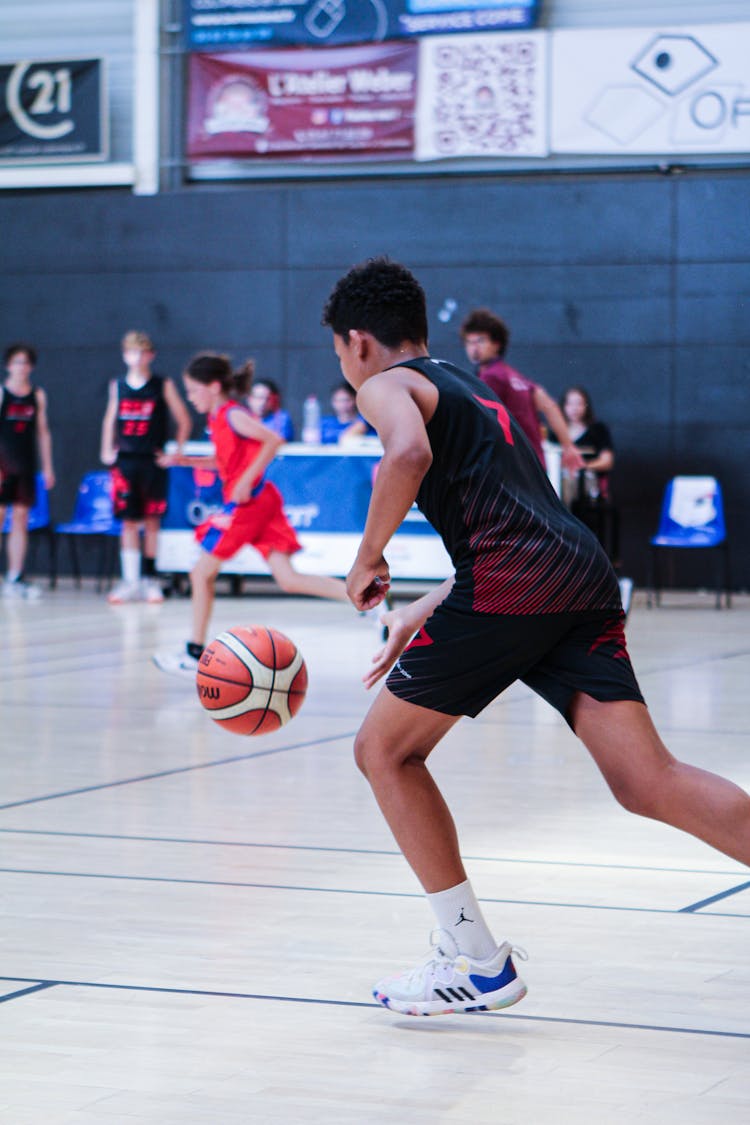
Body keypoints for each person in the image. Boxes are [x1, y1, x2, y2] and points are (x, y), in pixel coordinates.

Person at [321, 257, 750, 1018]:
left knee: (382, 751)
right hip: (575, 572)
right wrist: (421, 610)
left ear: (357, 341)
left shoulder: (383, 385)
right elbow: (526, 522)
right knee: (647, 779)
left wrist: (366, 556)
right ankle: (475, 961)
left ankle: (477, 962)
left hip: (516, 582)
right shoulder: (468, 384)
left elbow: (407, 455)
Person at [153, 353, 349, 676]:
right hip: (260, 504)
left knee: (201, 573)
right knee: (288, 579)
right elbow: (224, 463)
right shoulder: (216, 420)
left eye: (193, 390)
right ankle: (367, 601)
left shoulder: (232, 414)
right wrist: (185, 462)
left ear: (214, 387)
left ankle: (194, 652)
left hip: (249, 505)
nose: (190, 398)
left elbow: (273, 440)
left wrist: (245, 480)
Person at [100, 330, 192, 604]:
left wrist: (176, 449)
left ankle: (150, 579)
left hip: (152, 461)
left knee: (152, 522)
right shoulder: (117, 385)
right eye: (131, 352)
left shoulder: (162, 384)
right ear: (124, 355)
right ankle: (130, 581)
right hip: (126, 461)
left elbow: (183, 420)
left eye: (142, 352)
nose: (136, 357)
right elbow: (109, 419)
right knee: (128, 523)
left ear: (151, 355)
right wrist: (106, 449)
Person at [460, 308, 584, 474]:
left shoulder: (492, 376)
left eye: (480, 341)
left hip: (512, 468)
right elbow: (550, 406)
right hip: (533, 465)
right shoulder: (516, 377)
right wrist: (568, 447)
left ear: (496, 344)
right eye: (469, 342)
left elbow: (477, 422)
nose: (473, 348)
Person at [0, 343, 55, 598]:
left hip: (25, 464)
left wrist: (47, 467)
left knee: (20, 518)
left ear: (31, 367)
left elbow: (43, 433)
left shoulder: (37, 395)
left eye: (25, 362)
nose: (21, 367)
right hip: (2, 464)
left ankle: (15, 575)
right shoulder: (2, 393)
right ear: (8, 366)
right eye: (16, 362)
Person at [552, 385, 621, 568]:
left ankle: (561, 512)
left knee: (572, 479)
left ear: (586, 406)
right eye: (571, 404)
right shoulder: (556, 431)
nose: (575, 409)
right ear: (564, 406)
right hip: (559, 480)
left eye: (579, 404)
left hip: (587, 484)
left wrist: (583, 466)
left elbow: (607, 460)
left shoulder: (597, 430)